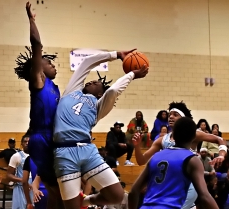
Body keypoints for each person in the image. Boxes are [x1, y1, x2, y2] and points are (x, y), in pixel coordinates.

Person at [53, 48, 148, 209]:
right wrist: (116, 55)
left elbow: (112, 91)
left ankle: (87, 201)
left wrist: (132, 74)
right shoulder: (72, 90)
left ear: (99, 94)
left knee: (117, 195)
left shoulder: (99, 106)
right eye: (90, 81)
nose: (90, 82)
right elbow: (86, 63)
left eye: (96, 83)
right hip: (64, 151)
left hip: (88, 151)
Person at [132, 101, 227, 209]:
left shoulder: (192, 134)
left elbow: (220, 139)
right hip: (169, 184)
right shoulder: (161, 140)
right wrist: (137, 146)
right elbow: (141, 161)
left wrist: (221, 155)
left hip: (189, 182)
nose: (171, 117)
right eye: (169, 114)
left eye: (175, 114)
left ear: (183, 118)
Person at [14, 2, 63, 208]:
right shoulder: (38, 81)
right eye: (48, 62)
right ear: (38, 66)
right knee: (57, 190)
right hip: (41, 138)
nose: (53, 64)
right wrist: (31, 21)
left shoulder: (54, 87)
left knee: (58, 191)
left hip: (51, 137)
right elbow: (36, 45)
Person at [6, 135, 29, 209]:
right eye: (25, 141)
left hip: (33, 187)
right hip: (20, 187)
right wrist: (22, 180)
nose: (27, 143)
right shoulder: (16, 156)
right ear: (21, 143)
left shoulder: (37, 156)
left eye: (29, 142)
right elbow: (8, 175)